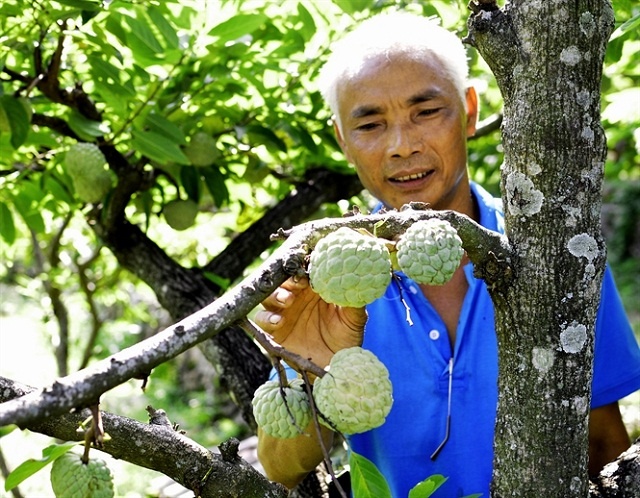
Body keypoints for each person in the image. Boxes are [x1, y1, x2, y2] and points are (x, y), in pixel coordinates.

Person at [254, 11, 640, 497]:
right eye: (371, 123)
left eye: (427, 111)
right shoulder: (329, 281)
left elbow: (604, 442)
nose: (402, 145)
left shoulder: (560, 256)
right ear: (342, 140)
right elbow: (282, 468)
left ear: (470, 110)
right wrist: (306, 371)